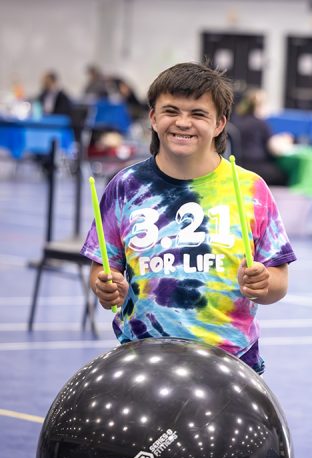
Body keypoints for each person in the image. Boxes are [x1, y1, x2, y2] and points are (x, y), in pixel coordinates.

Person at [81, 62, 296, 375]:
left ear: (220, 123)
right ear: (153, 118)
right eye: (171, 111)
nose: (183, 123)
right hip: (141, 362)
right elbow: (103, 267)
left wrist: (264, 282)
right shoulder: (126, 187)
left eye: (198, 114)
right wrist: (105, 285)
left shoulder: (252, 189)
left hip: (230, 366)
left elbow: (278, 282)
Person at [230, 89, 289, 186]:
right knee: (285, 174)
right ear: (260, 106)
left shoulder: (235, 121)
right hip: (258, 168)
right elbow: (275, 149)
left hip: (238, 167)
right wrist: (285, 141)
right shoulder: (260, 123)